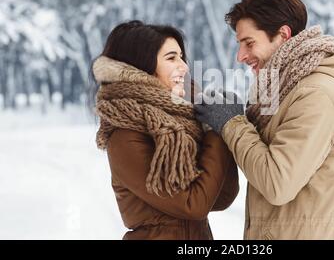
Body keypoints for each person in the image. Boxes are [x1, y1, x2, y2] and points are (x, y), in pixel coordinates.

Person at [195, 0, 334, 240]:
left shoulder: (315, 96)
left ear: (282, 35)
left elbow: (277, 183)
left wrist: (232, 122)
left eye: (249, 43)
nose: (240, 56)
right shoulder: (284, 91)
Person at [92, 20, 238, 240]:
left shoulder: (183, 125)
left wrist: (223, 125)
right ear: (142, 67)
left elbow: (221, 197)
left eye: (181, 57)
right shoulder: (126, 137)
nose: (185, 67)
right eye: (171, 58)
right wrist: (214, 131)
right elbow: (193, 205)